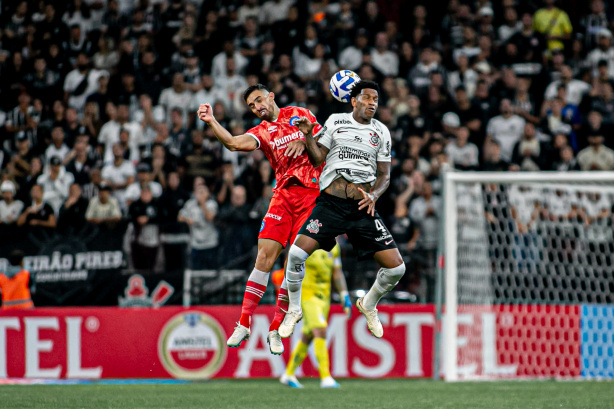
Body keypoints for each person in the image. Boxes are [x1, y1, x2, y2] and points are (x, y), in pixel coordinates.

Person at [197, 83, 321, 355]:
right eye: (252, 106)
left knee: (293, 259)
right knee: (264, 257)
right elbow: (231, 143)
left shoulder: (299, 113)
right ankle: (243, 322)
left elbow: (325, 143)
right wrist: (212, 121)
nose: (257, 107)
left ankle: (277, 326)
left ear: (271, 96)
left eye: (259, 100)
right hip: (281, 197)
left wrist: (305, 139)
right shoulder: (262, 132)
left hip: (310, 194)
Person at [278, 81, 406, 340]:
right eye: (367, 98)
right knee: (295, 254)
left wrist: (374, 195)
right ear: (354, 101)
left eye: (376, 100)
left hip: (362, 206)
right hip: (331, 205)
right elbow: (317, 159)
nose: (372, 103)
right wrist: (306, 136)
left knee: (396, 269)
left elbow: (385, 176)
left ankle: (369, 304)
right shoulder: (336, 121)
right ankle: (293, 310)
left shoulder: (382, 132)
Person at [280, 243, 352, 389]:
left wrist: (344, 294)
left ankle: (288, 374)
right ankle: (325, 377)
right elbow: (289, 262)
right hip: (307, 293)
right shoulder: (307, 240)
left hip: (324, 296)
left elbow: (337, 271)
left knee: (308, 335)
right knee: (320, 329)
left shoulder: (335, 247)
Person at [178, 185, 219, 270]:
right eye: (198, 192)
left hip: (210, 244)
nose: (200, 195)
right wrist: (187, 219)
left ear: (208, 194)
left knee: (211, 271)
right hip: (195, 244)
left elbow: (209, 217)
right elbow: (179, 217)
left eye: (202, 192)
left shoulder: (212, 204)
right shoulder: (190, 204)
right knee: (196, 271)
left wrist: (203, 203)